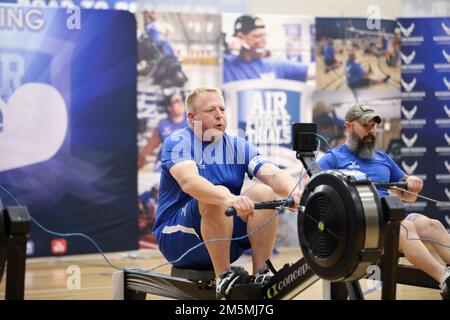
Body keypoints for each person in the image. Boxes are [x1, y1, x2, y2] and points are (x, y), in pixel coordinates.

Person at [152, 87, 301, 299]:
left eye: (222, 108)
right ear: (191, 117)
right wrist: (229, 198)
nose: (219, 114)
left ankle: (261, 273)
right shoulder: (177, 143)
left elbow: (273, 174)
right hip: (178, 238)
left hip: (223, 234)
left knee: (264, 192)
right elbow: (189, 182)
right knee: (216, 194)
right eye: (210, 110)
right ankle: (224, 278)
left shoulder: (237, 145)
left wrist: (295, 192)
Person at [317, 104, 450, 300]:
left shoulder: (383, 158)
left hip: (389, 216)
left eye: (374, 126)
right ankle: (445, 280)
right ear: (348, 126)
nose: (371, 131)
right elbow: (316, 196)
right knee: (403, 228)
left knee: (432, 225)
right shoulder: (332, 159)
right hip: (360, 227)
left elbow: (408, 196)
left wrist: (412, 184)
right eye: (366, 126)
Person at [223, 15, 311, 83]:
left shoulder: (275, 65)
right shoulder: (227, 65)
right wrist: (226, 44)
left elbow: (311, 71)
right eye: (257, 36)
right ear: (241, 38)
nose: (263, 41)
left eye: (264, 36)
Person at [138, 90, 188, 171]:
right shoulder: (163, 124)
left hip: (186, 165)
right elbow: (149, 148)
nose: (181, 103)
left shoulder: (193, 121)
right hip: (165, 166)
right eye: (176, 101)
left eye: (182, 99)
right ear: (169, 107)